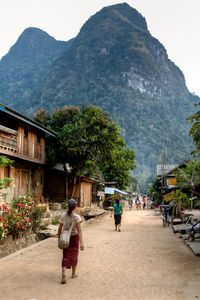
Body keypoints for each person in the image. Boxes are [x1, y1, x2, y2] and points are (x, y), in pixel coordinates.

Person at [58, 199, 84, 284]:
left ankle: (63, 273)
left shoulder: (63, 216)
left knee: (65, 256)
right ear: (75, 207)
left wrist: (59, 239)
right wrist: (82, 243)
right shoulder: (77, 217)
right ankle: (73, 273)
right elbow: (79, 230)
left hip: (65, 238)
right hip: (74, 238)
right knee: (74, 255)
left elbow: (59, 228)